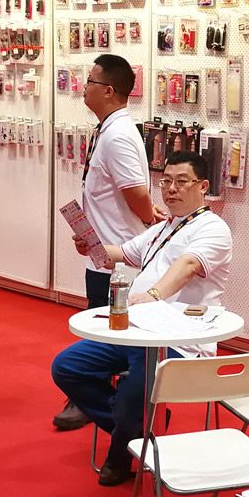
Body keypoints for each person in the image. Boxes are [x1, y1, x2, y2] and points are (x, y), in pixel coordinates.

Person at [51, 151, 231, 485]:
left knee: (134, 391)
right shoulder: (163, 228)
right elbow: (121, 254)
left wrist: (154, 295)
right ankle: (135, 430)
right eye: (166, 181)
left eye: (181, 182)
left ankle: (122, 449)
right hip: (137, 330)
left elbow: (188, 266)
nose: (171, 189)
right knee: (67, 367)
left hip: (179, 340)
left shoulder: (213, 229)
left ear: (203, 186)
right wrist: (91, 246)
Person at [51, 53, 161, 431]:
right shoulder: (107, 130)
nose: (84, 88)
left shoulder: (118, 135)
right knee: (100, 324)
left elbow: (136, 193)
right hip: (103, 253)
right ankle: (105, 400)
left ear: (109, 91)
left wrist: (150, 221)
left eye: (91, 82)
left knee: (108, 332)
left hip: (119, 258)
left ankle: (118, 410)